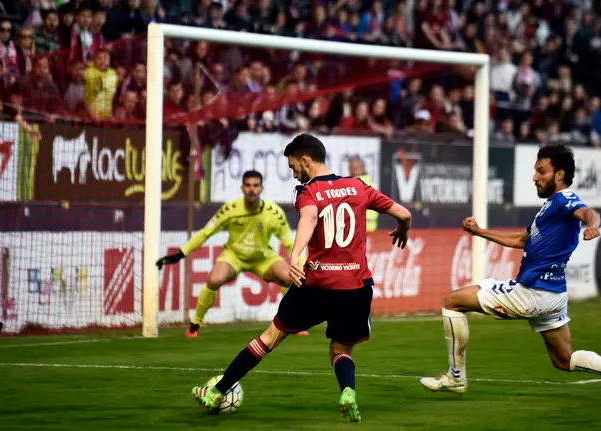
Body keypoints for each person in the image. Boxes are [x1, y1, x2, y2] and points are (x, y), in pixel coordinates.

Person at [191, 134, 412, 422]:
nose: (294, 172)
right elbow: (404, 213)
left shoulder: (307, 191)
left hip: (317, 285)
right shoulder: (359, 186)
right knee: (341, 348)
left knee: (269, 338)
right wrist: (403, 229)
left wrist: (295, 255)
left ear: (305, 160)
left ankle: (216, 392)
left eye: (294, 166)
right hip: (355, 287)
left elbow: (309, 218)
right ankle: (347, 391)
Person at [419, 144, 601, 409]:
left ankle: (456, 377)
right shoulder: (550, 207)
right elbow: (522, 239)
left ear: (560, 174)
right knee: (563, 359)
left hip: (531, 293)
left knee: (452, 301)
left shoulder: (565, 200)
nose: (534, 177)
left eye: (541, 171)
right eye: (535, 171)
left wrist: (593, 226)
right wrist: (480, 232)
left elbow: (589, 213)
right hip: (554, 296)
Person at [156, 170, 308, 337]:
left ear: (261, 188)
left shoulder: (274, 213)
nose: (252, 189)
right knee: (214, 279)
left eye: (256, 185)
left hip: (262, 258)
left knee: (291, 278)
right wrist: (181, 253)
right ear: (242, 188)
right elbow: (206, 232)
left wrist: (302, 266)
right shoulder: (230, 209)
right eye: (248, 185)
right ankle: (195, 325)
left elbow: (290, 244)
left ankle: (290, 320)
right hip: (233, 256)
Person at [348, 155, 379, 232]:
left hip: (358, 229)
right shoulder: (372, 184)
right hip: (372, 228)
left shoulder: (352, 185)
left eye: (351, 168)